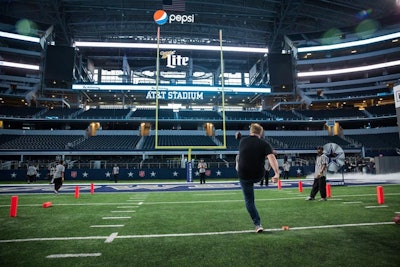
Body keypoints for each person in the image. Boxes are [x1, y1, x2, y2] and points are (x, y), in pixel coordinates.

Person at [237, 123, 280, 233]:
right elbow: (272, 158)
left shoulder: (242, 141)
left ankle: (257, 224)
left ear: (250, 131)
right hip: (258, 175)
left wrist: (238, 136)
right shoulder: (264, 143)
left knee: (249, 201)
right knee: (264, 160)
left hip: (243, 175)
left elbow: (241, 138)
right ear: (260, 133)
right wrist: (276, 173)